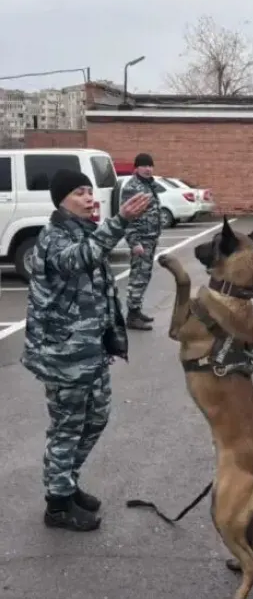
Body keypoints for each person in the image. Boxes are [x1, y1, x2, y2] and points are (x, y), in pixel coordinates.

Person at [20, 169, 151, 532]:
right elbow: (78, 259)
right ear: (62, 200)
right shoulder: (54, 237)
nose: (90, 198)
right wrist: (120, 220)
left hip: (90, 351)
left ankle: (67, 482)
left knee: (96, 418)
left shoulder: (83, 232)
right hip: (64, 357)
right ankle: (57, 506)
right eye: (80, 192)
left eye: (91, 192)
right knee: (67, 428)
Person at [120, 152, 164, 331]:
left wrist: (155, 235)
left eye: (150, 165)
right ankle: (131, 316)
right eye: (144, 165)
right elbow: (128, 218)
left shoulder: (150, 184)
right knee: (138, 277)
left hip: (150, 238)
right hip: (141, 241)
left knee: (144, 276)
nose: (148, 169)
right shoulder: (132, 187)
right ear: (136, 168)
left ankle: (136, 310)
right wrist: (134, 242)